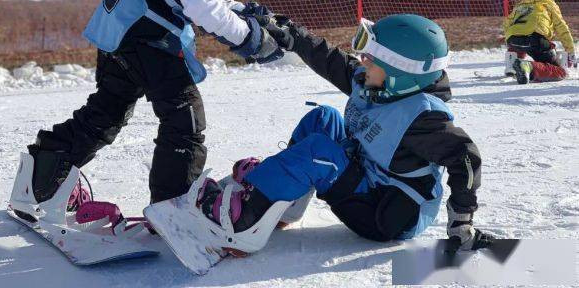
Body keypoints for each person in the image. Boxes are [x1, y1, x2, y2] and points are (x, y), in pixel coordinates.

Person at [11, 0, 309, 217]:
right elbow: (206, 8)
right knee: (185, 119)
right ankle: (175, 208)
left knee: (106, 114)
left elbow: (216, 0)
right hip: (148, 37)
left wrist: (248, 15)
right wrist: (253, 40)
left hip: (124, 33)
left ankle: (43, 179)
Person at [196, 14, 493, 251]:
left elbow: (466, 157)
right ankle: (283, 204)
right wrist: (291, 33)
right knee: (322, 118)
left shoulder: (422, 119)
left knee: (319, 154)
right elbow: (331, 60)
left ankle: (239, 223)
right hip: (367, 177)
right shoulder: (377, 85)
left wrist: (461, 222)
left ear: (400, 73)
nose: (362, 62)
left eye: (371, 58)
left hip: (385, 214)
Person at [504, 0, 576, 84]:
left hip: (513, 40)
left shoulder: (520, 5)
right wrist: (571, 52)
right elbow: (562, 28)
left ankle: (512, 65)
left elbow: (506, 25)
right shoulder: (549, 4)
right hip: (535, 40)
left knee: (518, 36)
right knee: (559, 71)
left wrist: (510, 44)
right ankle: (528, 66)